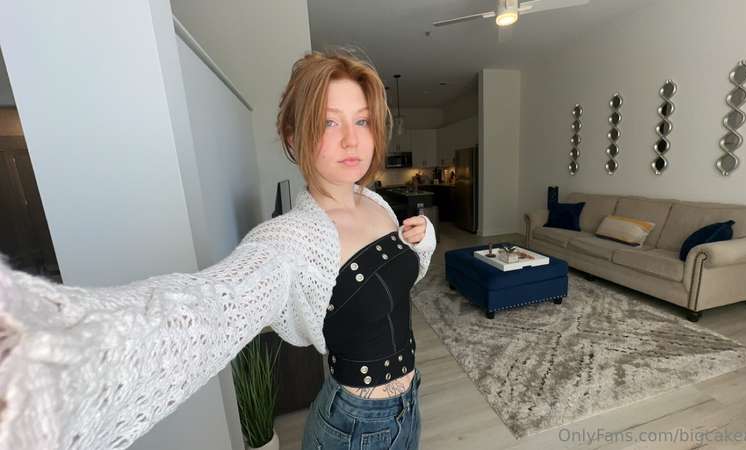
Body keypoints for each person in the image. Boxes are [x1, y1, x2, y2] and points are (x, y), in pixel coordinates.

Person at [0, 49, 436, 450]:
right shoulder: (293, 238)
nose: (352, 140)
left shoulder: (377, 204)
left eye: (362, 121)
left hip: (409, 405)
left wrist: (422, 239)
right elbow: (210, 306)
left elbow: (399, 282)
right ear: (293, 136)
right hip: (356, 428)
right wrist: (52, 363)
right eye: (328, 122)